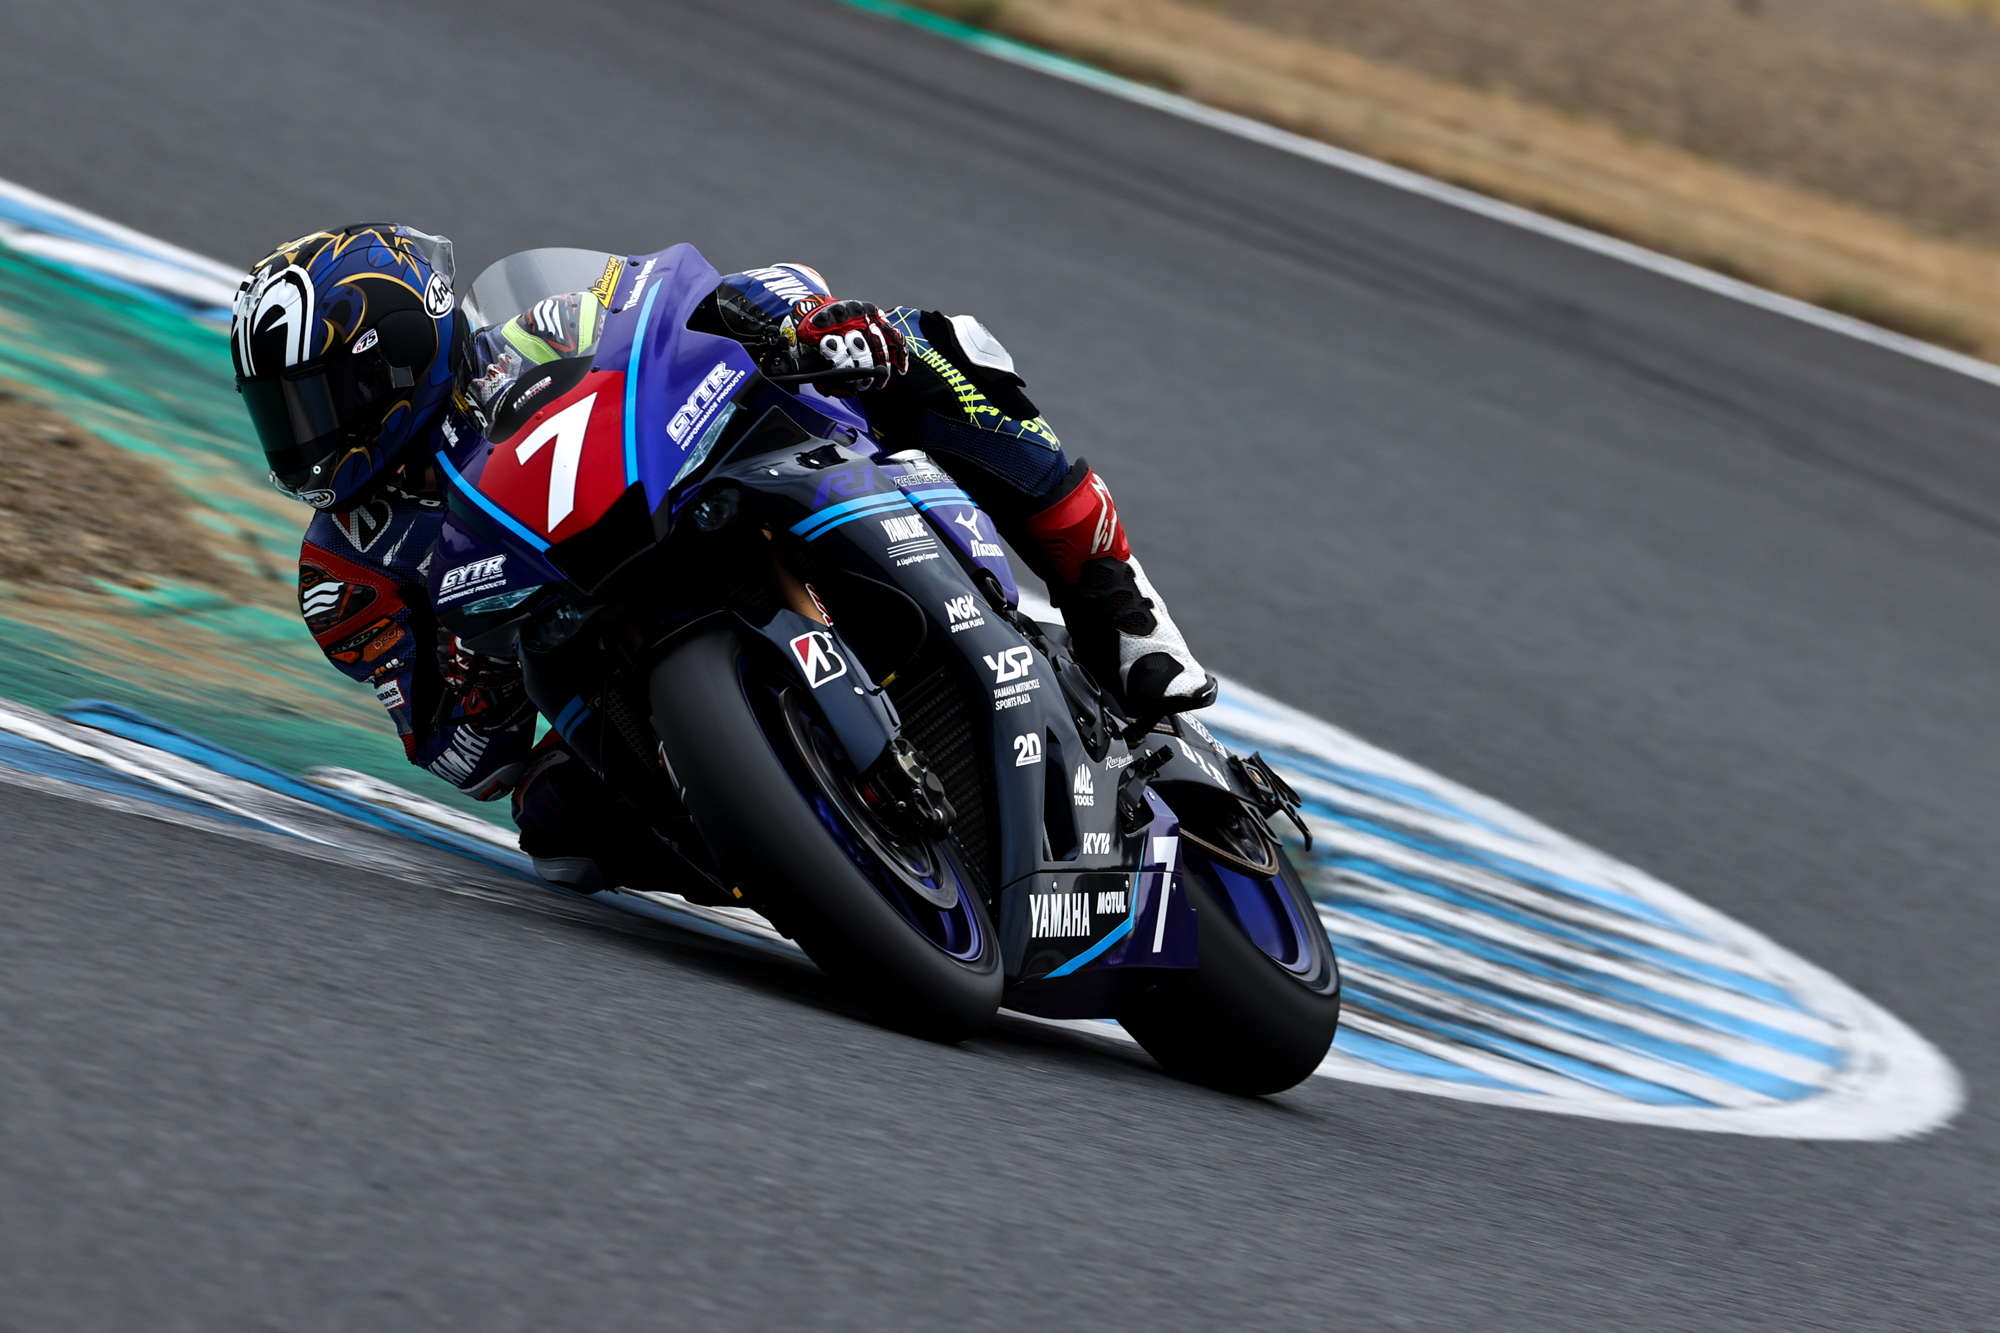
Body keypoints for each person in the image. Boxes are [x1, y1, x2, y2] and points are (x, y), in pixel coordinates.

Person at [231, 223, 1212, 895]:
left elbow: (680, 298)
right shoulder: (344, 573)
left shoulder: (539, 329)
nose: (306, 436)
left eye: (321, 399)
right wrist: (468, 680)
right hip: (582, 649)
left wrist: (790, 320)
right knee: (556, 827)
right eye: (283, 413)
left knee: (927, 344)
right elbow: (460, 759)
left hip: (701, 493)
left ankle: (1118, 604)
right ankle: (791, 849)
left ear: (403, 352)